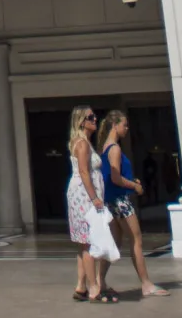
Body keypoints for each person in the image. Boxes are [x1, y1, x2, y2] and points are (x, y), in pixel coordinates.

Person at [98, 109, 165, 299]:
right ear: (114, 125)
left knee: (115, 242)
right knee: (136, 240)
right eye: (124, 125)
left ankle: (100, 281)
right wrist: (135, 186)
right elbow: (116, 178)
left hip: (110, 200)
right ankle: (146, 284)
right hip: (120, 200)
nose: (126, 128)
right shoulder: (115, 149)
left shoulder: (105, 148)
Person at [63, 105, 118, 304]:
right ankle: (94, 287)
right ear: (81, 121)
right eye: (90, 117)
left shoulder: (83, 142)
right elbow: (85, 172)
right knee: (88, 241)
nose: (95, 120)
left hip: (82, 193)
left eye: (94, 116)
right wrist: (94, 197)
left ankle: (81, 286)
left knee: (83, 242)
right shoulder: (82, 144)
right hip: (83, 196)